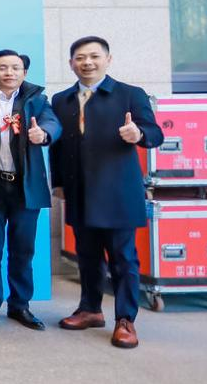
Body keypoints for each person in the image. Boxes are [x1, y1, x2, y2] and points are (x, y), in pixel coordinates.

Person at [51, 36, 163, 349]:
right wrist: (58, 183)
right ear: (71, 63)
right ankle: (90, 309)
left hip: (117, 194)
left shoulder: (130, 94)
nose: (87, 62)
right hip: (79, 192)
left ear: (108, 60)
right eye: (80, 58)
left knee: (123, 259)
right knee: (87, 256)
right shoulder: (61, 100)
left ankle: (125, 320)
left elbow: (156, 133)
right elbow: (57, 148)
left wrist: (138, 133)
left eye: (94, 56)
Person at [0, 49, 61, 330]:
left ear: (24, 72)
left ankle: (20, 305)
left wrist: (43, 133)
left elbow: (52, 122)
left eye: (15, 67)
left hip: (25, 187)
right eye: (3, 67)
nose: (9, 72)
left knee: (23, 250)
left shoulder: (36, 100)